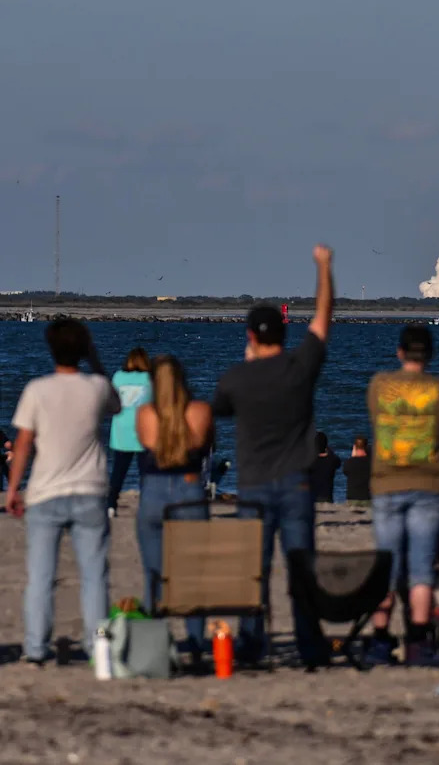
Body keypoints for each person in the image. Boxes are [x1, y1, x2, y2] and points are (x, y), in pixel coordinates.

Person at [211, 246, 333, 668]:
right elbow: (321, 321)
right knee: (302, 571)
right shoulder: (300, 369)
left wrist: (248, 366)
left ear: (250, 337)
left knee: (254, 571)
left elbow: (217, 411)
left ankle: (251, 644)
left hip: (254, 485)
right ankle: (310, 646)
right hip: (297, 484)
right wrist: (323, 267)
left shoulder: (236, 379)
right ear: (284, 335)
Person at [5, 319, 121, 665]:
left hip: (45, 493)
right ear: (83, 349)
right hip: (90, 491)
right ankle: (97, 646)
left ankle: (36, 648)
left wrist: (13, 487)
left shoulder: (38, 390)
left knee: (41, 577)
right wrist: (96, 361)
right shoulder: (97, 387)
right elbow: (116, 404)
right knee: (94, 577)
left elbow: (23, 444)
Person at [367, 325, 439, 666]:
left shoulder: (378, 386)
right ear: (429, 354)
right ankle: (418, 642)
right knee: (421, 569)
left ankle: (378, 640)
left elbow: (376, 422)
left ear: (400, 352)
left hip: (386, 483)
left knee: (386, 567)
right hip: (429, 485)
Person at [135, 355, 213, 661]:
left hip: (153, 492)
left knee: (153, 574)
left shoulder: (145, 414)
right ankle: (194, 642)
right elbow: (207, 448)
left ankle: (153, 647)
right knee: (193, 574)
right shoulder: (201, 411)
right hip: (190, 489)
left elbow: (146, 448)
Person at [107, 347, 152, 518]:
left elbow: (111, 400)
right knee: (145, 472)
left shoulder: (118, 376)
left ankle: (111, 504)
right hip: (143, 429)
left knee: (118, 471)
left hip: (121, 429)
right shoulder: (149, 379)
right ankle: (147, 505)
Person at [309, 431, 341, 505]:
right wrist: (329, 450)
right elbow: (338, 463)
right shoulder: (332, 460)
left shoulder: (310, 461)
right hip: (327, 498)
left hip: (312, 498)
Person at [342, 436, 372, 507]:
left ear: (354, 447)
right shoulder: (371, 463)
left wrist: (353, 457)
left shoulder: (348, 463)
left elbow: (346, 472)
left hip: (352, 499)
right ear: (366, 447)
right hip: (367, 498)